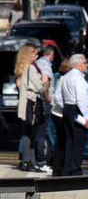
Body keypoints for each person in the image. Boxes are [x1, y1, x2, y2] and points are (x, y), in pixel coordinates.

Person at [54, 54, 88, 176]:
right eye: (85, 62)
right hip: (77, 109)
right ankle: (75, 169)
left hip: (67, 109)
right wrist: (86, 117)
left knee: (69, 140)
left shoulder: (65, 77)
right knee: (79, 140)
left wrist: (65, 107)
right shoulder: (79, 78)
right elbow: (81, 99)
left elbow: (57, 97)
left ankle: (67, 168)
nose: (87, 65)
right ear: (78, 64)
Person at [15, 44, 49, 172]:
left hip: (26, 105)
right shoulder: (31, 69)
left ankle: (29, 161)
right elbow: (40, 87)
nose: (37, 55)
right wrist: (44, 81)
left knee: (27, 133)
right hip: (32, 105)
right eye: (34, 53)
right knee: (30, 134)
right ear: (28, 55)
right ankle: (28, 162)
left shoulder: (24, 68)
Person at [34, 46, 55, 173]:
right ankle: (43, 160)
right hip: (44, 102)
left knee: (37, 131)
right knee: (44, 131)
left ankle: (35, 159)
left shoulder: (36, 64)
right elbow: (46, 81)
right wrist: (47, 98)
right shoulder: (46, 65)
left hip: (36, 102)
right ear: (51, 54)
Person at [50, 59, 71, 176]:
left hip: (60, 113)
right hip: (59, 114)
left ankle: (59, 168)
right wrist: (66, 108)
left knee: (62, 141)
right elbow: (57, 97)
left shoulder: (63, 79)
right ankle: (58, 169)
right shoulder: (63, 79)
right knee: (62, 141)